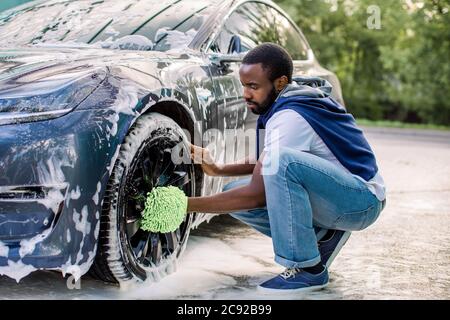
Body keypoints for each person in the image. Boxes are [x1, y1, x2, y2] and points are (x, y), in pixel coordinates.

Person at [187, 43, 386, 293]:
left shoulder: (290, 116)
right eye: (244, 85)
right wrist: (217, 169)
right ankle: (323, 236)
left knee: (280, 166)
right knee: (234, 188)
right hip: (341, 194)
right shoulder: (279, 106)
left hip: (361, 201)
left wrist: (185, 206)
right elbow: (262, 162)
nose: (245, 94)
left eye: (253, 86)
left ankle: (307, 270)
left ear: (280, 83)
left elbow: (258, 191)